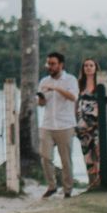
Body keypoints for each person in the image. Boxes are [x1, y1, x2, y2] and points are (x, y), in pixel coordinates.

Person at [34, 50, 79, 197]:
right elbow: (41, 103)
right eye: (48, 64)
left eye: (53, 64)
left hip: (65, 125)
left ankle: (67, 190)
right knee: (45, 157)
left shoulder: (70, 80)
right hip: (47, 125)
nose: (49, 66)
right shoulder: (43, 81)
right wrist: (40, 99)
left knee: (66, 160)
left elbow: (73, 97)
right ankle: (52, 186)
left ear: (61, 65)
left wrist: (56, 88)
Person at [75, 57, 103, 190]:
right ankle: (92, 184)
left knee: (99, 154)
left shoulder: (100, 84)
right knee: (87, 155)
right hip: (82, 128)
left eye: (91, 65)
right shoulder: (80, 84)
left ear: (95, 67)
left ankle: (102, 182)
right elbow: (77, 104)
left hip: (96, 125)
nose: (88, 67)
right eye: (86, 65)